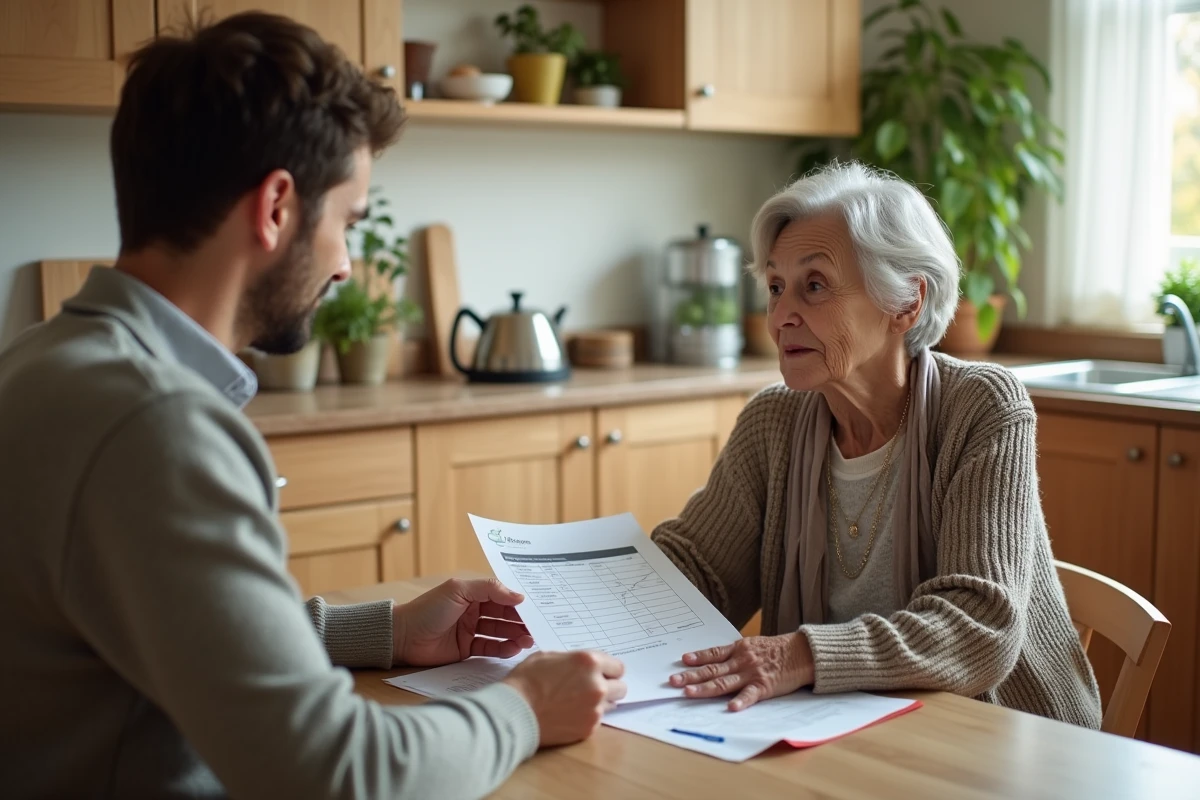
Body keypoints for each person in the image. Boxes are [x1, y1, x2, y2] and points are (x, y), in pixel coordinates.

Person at [0, 12, 625, 799]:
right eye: (349, 223)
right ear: (276, 208)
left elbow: (162, 632)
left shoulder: (35, 363)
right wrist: (528, 705)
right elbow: (338, 772)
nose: (345, 264)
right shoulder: (157, 427)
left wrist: (385, 630)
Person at [651, 161, 1103, 728]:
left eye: (814, 286)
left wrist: (801, 655)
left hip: (1004, 738)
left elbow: (979, 626)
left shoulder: (982, 407)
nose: (781, 315)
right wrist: (550, 605)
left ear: (906, 304)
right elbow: (697, 572)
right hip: (845, 729)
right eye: (775, 287)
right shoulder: (773, 421)